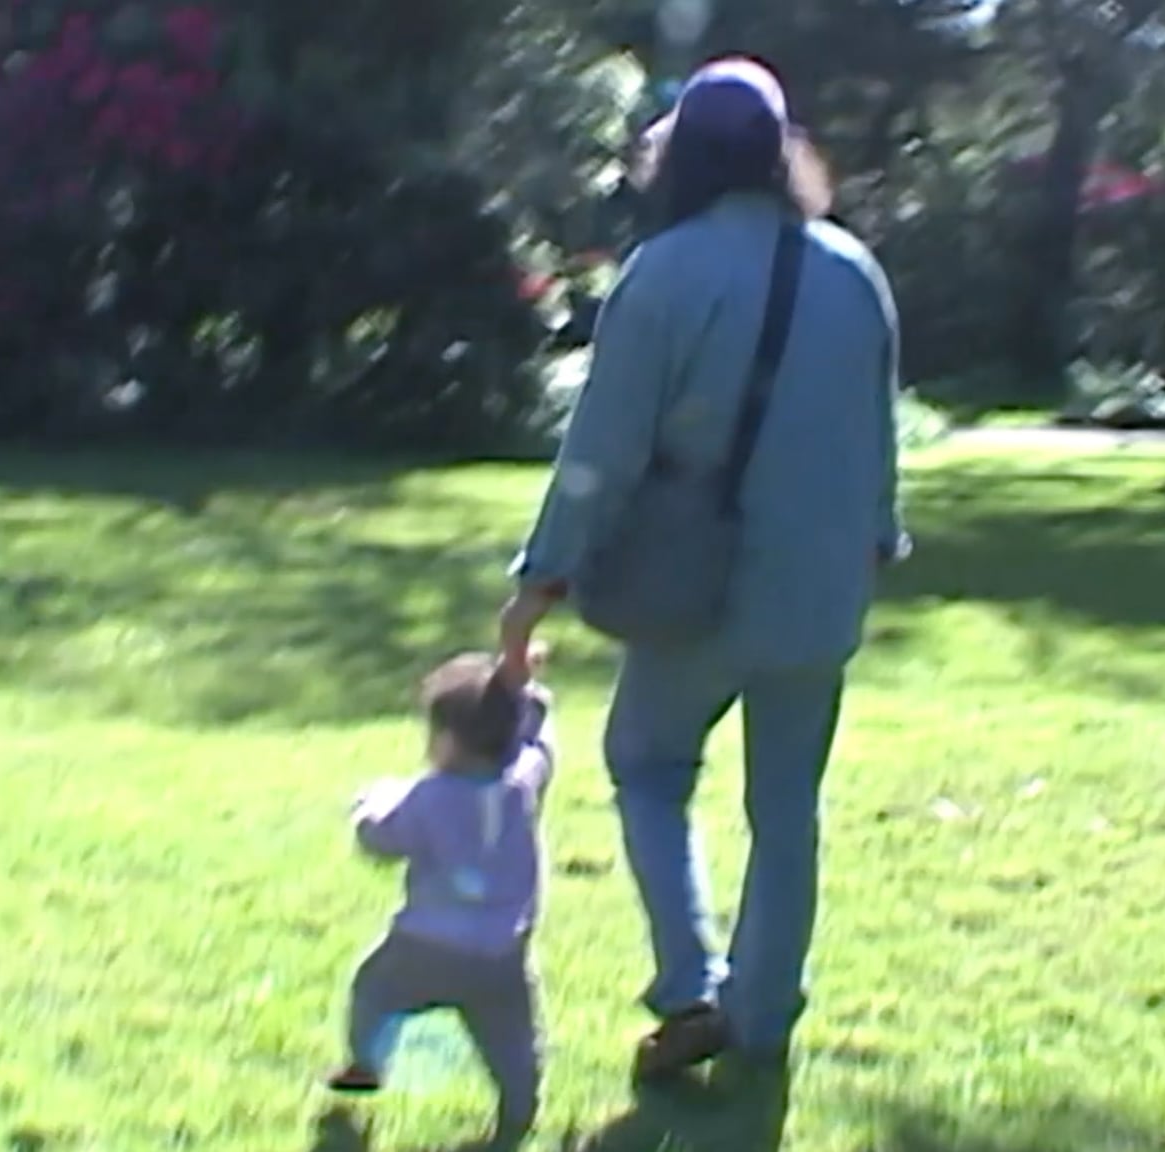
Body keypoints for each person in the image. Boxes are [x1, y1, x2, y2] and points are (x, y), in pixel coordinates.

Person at [496, 57, 909, 1082]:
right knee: (787, 809)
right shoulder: (854, 272)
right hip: (818, 591)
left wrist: (540, 580)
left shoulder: (665, 273)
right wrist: (872, 545)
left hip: (703, 587)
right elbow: (878, 442)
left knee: (646, 765)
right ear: (779, 154)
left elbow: (601, 450)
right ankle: (761, 1022)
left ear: (677, 156)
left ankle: (690, 984)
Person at [326, 650, 557, 1147]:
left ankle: (366, 1063)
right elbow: (539, 744)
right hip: (503, 952)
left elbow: (381, 838)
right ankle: (520, 1100)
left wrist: (365, 806)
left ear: (448, 741)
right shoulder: (523, 784)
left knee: (373, 989)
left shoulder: (430, 796)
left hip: (424, 947)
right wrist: (531, 697)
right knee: (511, 1035)